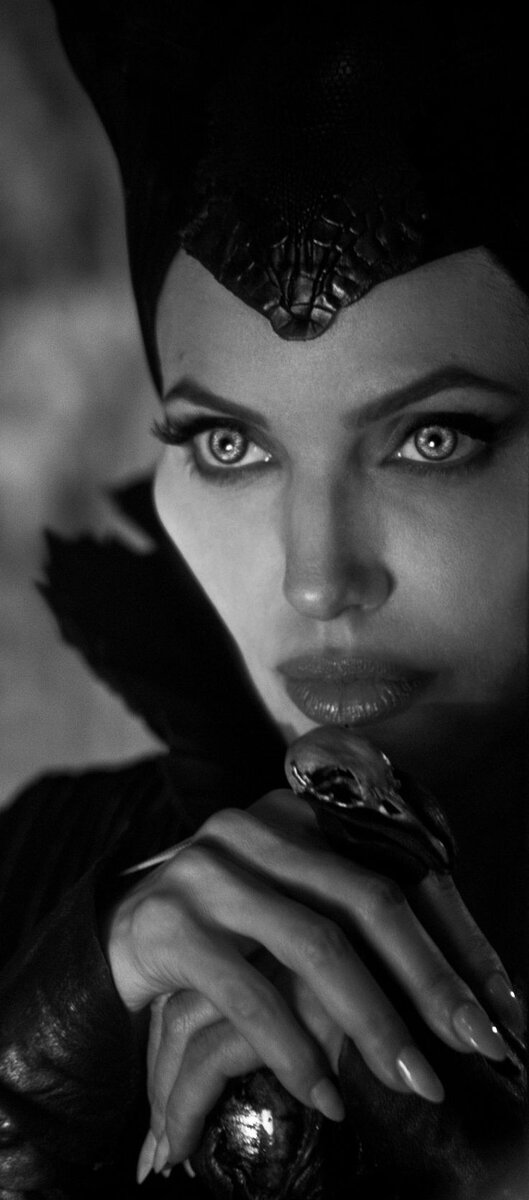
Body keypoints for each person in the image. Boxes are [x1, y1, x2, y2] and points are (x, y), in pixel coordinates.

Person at [0, 4, 527, 1199]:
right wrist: (31, 1089)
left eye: (432, 437)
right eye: (228, 445)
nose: (316, 577)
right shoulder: (48, 878)